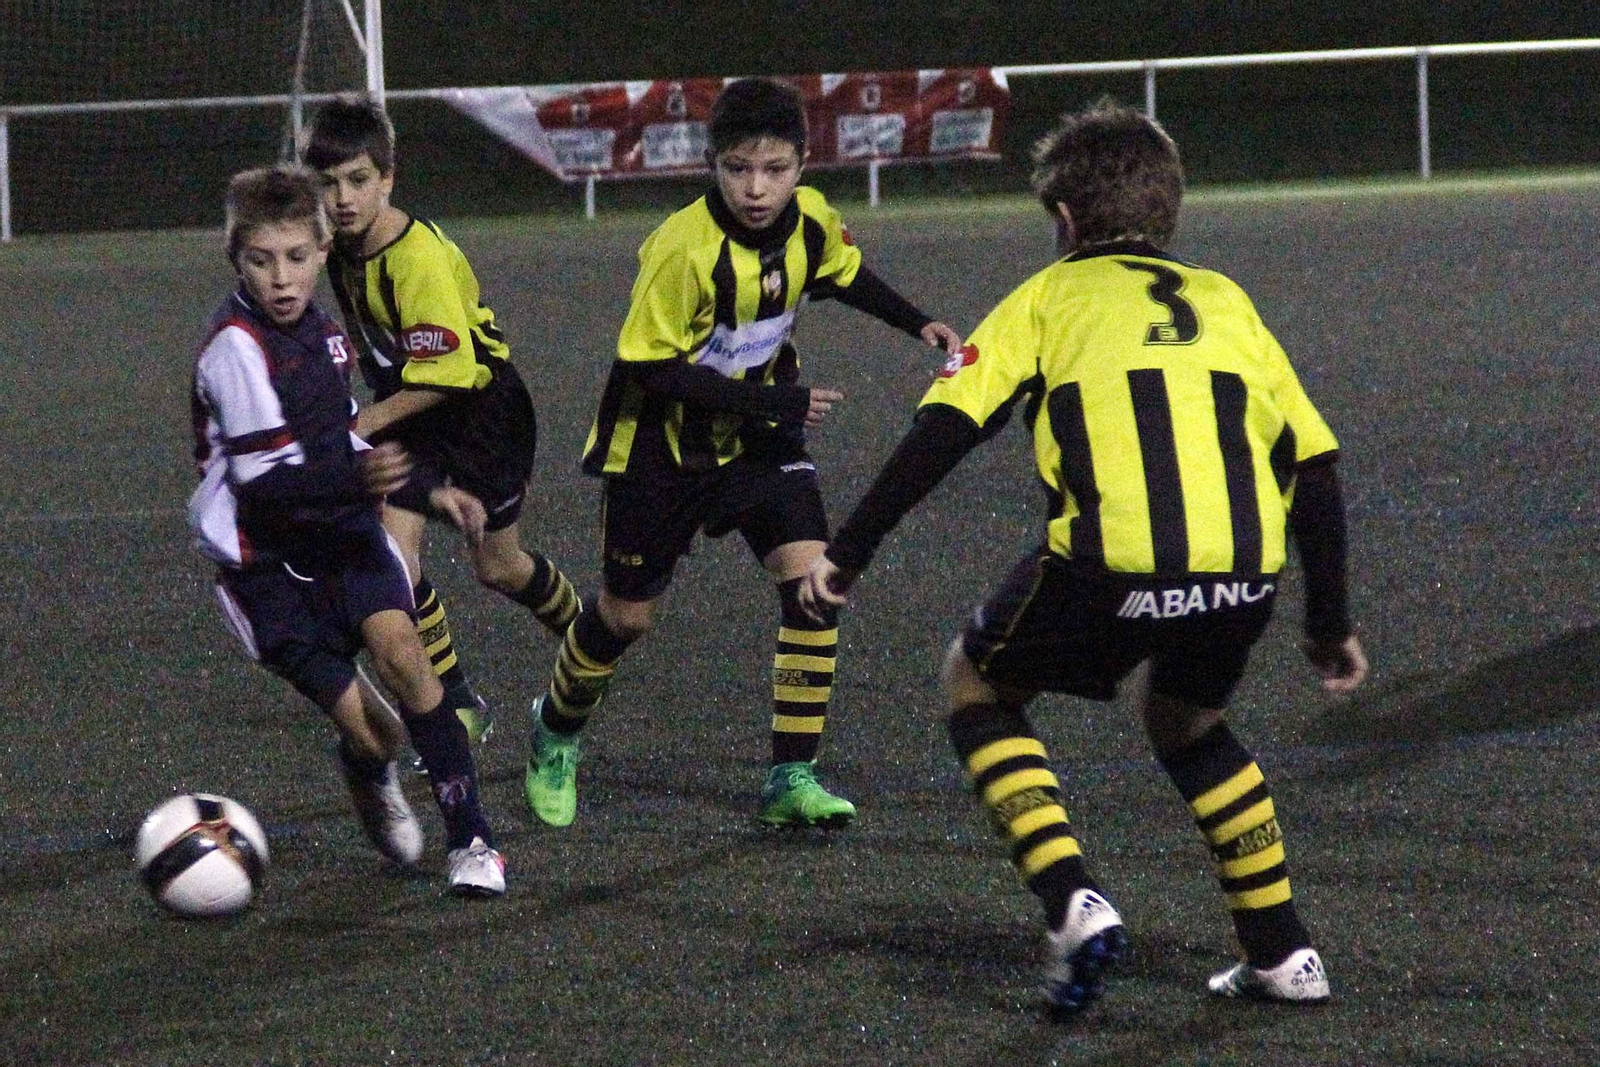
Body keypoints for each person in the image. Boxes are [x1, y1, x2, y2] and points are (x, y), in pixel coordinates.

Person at [800, 99, 1368, 1014]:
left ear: (1063, 220)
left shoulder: (1046, 297)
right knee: (1189, 722)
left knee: (975, 682)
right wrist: (1329, 622)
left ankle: (1073, 901)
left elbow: (945, 429)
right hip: (1242, 567)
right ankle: (1284, 952)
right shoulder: (1226, 299)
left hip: (1111, 561)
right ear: (1169, 212)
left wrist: (848, 552)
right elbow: (1317, 465)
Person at [521, 76, 963, 831]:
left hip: (758, 442)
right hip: (660, 448)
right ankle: (555, 730)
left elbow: (843, 275)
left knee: (816, 587)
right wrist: (773, 403)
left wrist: (919, 323)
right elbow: (648, 368)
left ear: (802, 164)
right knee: (625, 619)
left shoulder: (812, 221)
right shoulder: (681, 250)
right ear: (712, 163)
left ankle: (792, 776)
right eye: (738, 169)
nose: (756, 189)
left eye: (775, 169)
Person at [188, 163, 506, 897]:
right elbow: (264, 485)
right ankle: (366, 767)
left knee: (407, 657)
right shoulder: (235, 349)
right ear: (235, 259)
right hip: (265, 564)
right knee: (377, 734)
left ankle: (473, 842)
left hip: (342, 534)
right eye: (261, 260)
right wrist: (361, 478)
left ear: (323, 251)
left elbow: (344, 440)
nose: (282, 277)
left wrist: (429, 493)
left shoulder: (327, 337)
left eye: (297, 257)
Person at [302, 100, 581, 762]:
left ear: (388, 179)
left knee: (498, 566)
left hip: (482, 413)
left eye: (358, 180)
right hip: (412, 411)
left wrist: (359, 422)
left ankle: (585, 635)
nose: (342, 199)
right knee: (392, 566)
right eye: (328, 184)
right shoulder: (339, 246)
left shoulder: (415, 257)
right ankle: (456, 703)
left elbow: (450, 374)